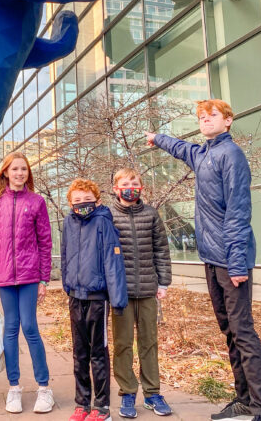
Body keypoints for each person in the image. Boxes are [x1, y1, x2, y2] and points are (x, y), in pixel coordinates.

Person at [146, 99, 261, 421]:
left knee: (243, 331)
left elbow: (237, 212)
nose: (206, 121)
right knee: (230, 330)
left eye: (213, 116)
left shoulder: (231, 155)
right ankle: (244, 399)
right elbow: (179, 148)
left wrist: (236, 263)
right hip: (212, 258)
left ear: (228, 121)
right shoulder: (203, 153)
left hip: (230, 260)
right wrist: (157, 138)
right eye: (202, 117)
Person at [0, 151, 54, 414]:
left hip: (30, 275)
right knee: (10, 329)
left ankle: (44, 388)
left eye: (24, 169)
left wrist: (45, 278)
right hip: (3, 276)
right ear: (6, 172)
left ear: (27, 173)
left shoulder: (36, 202)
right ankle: (14, 388)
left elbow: (45, 242)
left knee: (30, 327)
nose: (19, 173)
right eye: (15, 169)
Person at [62, 178, 128, 421]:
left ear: (97, 200)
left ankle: (102, 407)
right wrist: (67, 285)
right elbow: (66, 254)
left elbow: (113, 262)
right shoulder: (68, 222)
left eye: (87, 199)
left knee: (98, 353)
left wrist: (118, 299)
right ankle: (82, 403)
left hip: (97, 299)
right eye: (77, 200)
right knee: (79, 354)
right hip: (75, 297)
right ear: (70, 203)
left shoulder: (103, 222)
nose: (82, 204)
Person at [110, 168, 172, 418]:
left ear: (142, 188)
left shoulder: (151, 214)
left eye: (135, 183)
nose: (131, 187)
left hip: (147, 289)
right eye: (125, 183)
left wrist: (164, 283)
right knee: (123, 344)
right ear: (116, 188)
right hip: (120, 293)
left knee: (149, 343)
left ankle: (152, 393)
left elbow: (161, 249)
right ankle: (127, 393)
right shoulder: (109, 215)